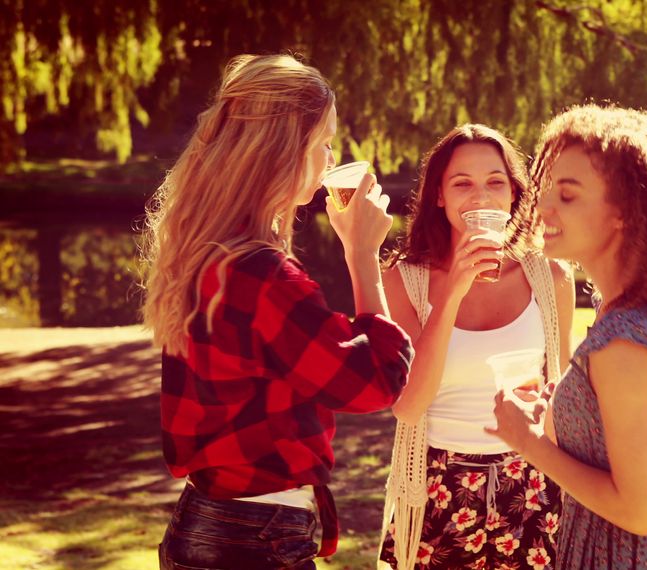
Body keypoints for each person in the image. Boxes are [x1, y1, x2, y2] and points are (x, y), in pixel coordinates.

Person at [141, 54, 414, 570]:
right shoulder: (263, 276)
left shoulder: (204, 252)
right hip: (251, 541)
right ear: (287, 150)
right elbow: (372, 382)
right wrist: (361, 256)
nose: (332, 156)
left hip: (203, 527)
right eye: (325, 142)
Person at [486, 104, 647, 569]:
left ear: (623, 212)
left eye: (569, 195)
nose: (543, 206)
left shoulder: (622, 343)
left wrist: (528, 440)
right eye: (547, 189)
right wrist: (575, 417)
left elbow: (638, 513)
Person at [376, 124, 575, 569]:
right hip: (437, 489)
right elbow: (408, 407)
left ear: (513, 195)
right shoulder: (404, 281)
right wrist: (452, 293)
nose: (481, 198)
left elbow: (560, 395)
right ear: (439, 195)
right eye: (462, 183)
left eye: (495, 182)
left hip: (533, 485)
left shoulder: (550, 278)